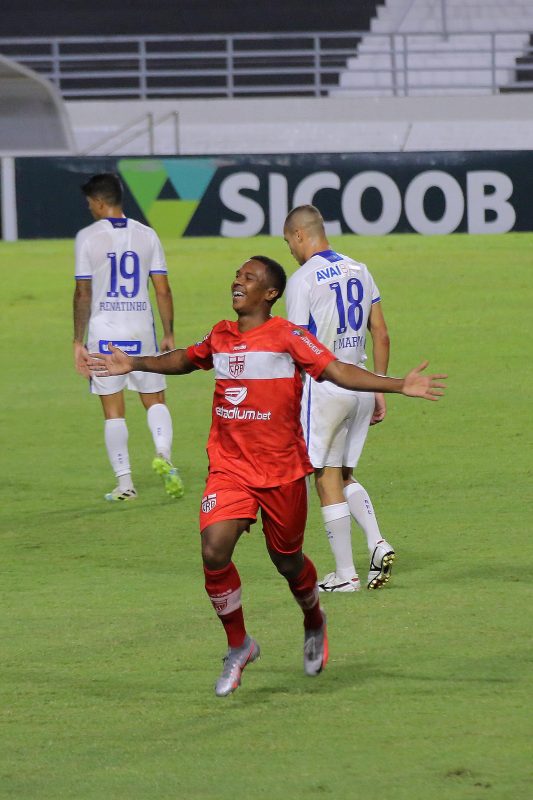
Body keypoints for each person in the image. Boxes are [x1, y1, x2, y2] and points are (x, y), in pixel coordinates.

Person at [85, 256, 446, 697]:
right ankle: (239, 644)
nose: (238, 281)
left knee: (287, 561)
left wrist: (396, 384)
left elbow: (337, 370)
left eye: (249, 278)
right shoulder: (221, 334)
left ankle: (313, 618)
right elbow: (184, 359)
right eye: (237, 275)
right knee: (214, 549)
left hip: (281, 471)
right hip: (230, 467)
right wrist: (134, 363)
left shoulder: (288, 337)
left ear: (270, 293)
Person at [284, 204, 393, 592]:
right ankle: (377, 543)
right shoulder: (360, 269)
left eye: (289, 242)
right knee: (344, 474)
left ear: (300, 235)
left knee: (325, 477)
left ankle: (346, 574)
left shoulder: (302, 280)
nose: (290, 251)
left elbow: (295, 345)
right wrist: (378, 386)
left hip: (325, 388)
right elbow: (381, 333)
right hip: (361, 384)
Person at [73, 172, 184, 502]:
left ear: (99, 202)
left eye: (90, 203)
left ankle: (125, 484)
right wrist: (168, 332)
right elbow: (162, 289)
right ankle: (163, 454)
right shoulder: (147, 234)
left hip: (105, 333)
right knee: (155, 399)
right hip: (141, 331)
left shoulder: (88, 237)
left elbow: (82, 293)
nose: (89, 208)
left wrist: (77, 341)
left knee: (113, 410)